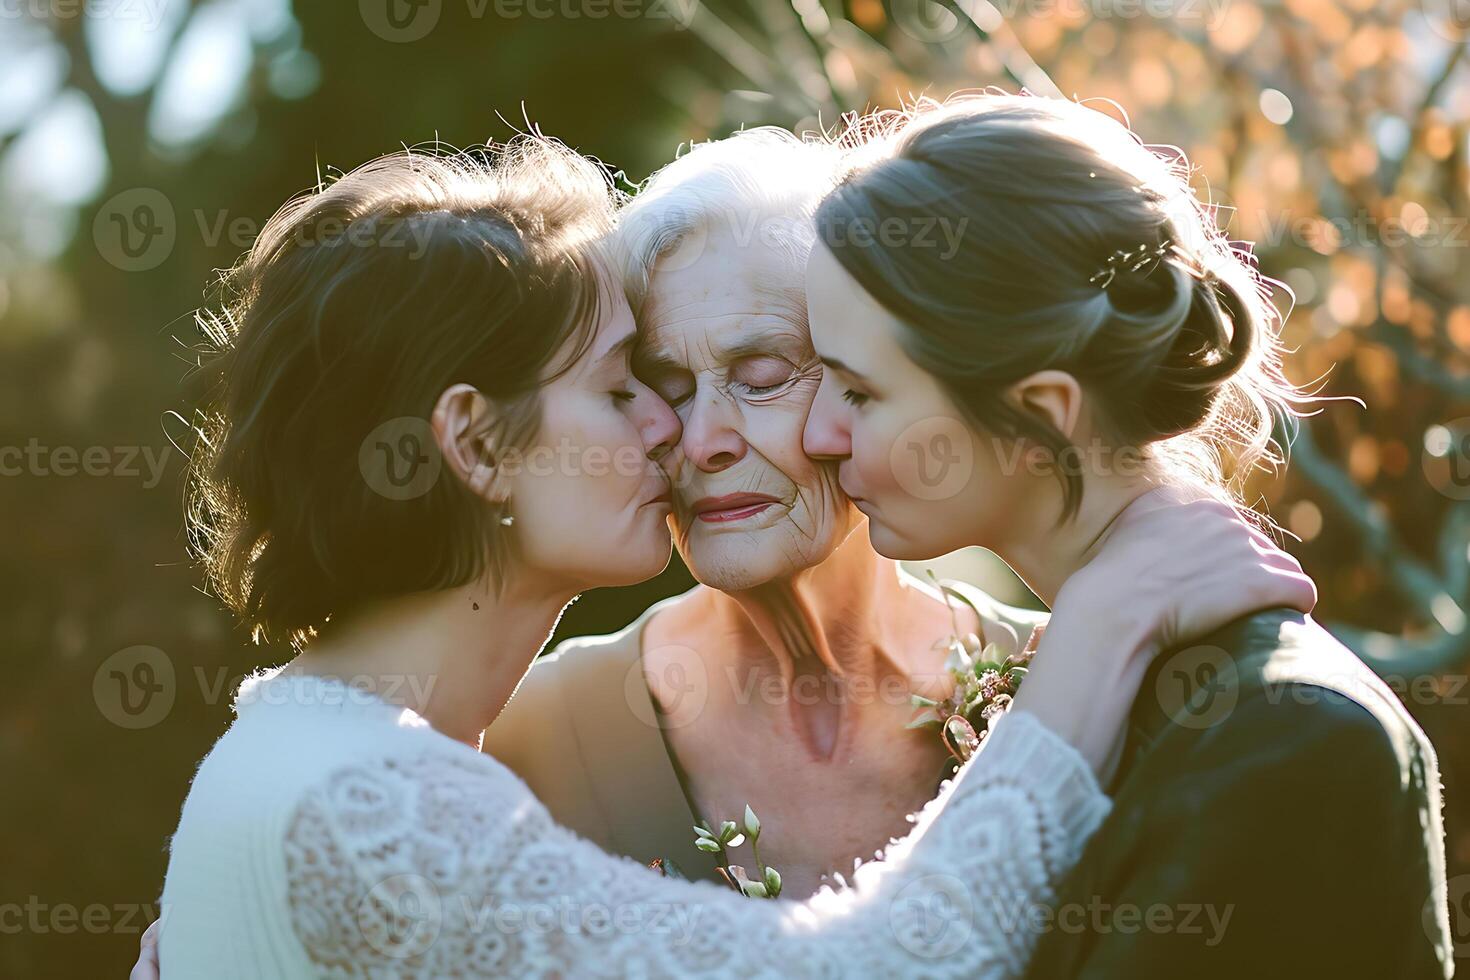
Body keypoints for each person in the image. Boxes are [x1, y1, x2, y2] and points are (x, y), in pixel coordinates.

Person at [146, 134, 1156, 978]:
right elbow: (875, 964)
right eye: (637, 384)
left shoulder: (314, 753)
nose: (680, 434)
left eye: (762, 375)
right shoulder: (383, 800)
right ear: (477, 444)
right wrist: (1104, 628)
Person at [480, 128, 1316, 899]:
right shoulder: (533, 732)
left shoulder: (1084, 670)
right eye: (664, 391)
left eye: (764, 377)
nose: (702, 442)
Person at [801, 92, 1452, 977]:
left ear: (1039, 418)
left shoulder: (1290, 744)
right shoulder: (1077, 680)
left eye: (860, 393)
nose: (817, 435)